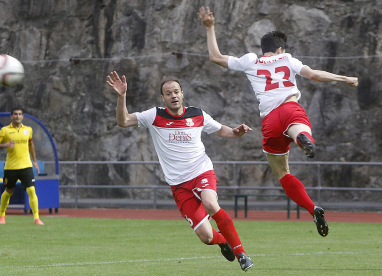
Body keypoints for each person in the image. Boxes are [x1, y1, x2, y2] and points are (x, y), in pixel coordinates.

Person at [198, 6, 359, 237]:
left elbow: (215, 57)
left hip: (270, 119)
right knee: (297, 127)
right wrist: (344, 78)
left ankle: (313, 210)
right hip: (290, 107)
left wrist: (210, 27)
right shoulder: (288, 59)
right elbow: (314, 75)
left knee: (283, 173)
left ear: (263, 50)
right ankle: (302, 138)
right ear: (280, 49)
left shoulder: (251, 61)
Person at [107, 71, 254, 271]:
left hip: (201, 171)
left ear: (182, 94)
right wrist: (122, 96)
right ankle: (222, 241)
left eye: (176, 92)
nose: (173, 96)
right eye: (168, 93)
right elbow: (123, 121)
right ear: (163, 98)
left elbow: (221, 130)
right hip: (179, 185)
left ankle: (241, 254)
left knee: (211, 203)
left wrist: (236, 132)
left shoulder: (197, 114)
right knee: (206, 236)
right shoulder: (154, 116)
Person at [0, 108, 44, 225]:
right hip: (11, 167)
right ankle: (1, 214)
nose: (18, 116)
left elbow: (31, 144)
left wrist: (34, 161)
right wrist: (5, 145)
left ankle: (36, 218)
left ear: (23, 116)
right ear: (11, 117)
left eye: (20, 114)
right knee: (9, 191)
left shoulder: (28, 130)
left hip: (26, 165)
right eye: (15, 114)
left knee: (31, 190)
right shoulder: (5, 130)